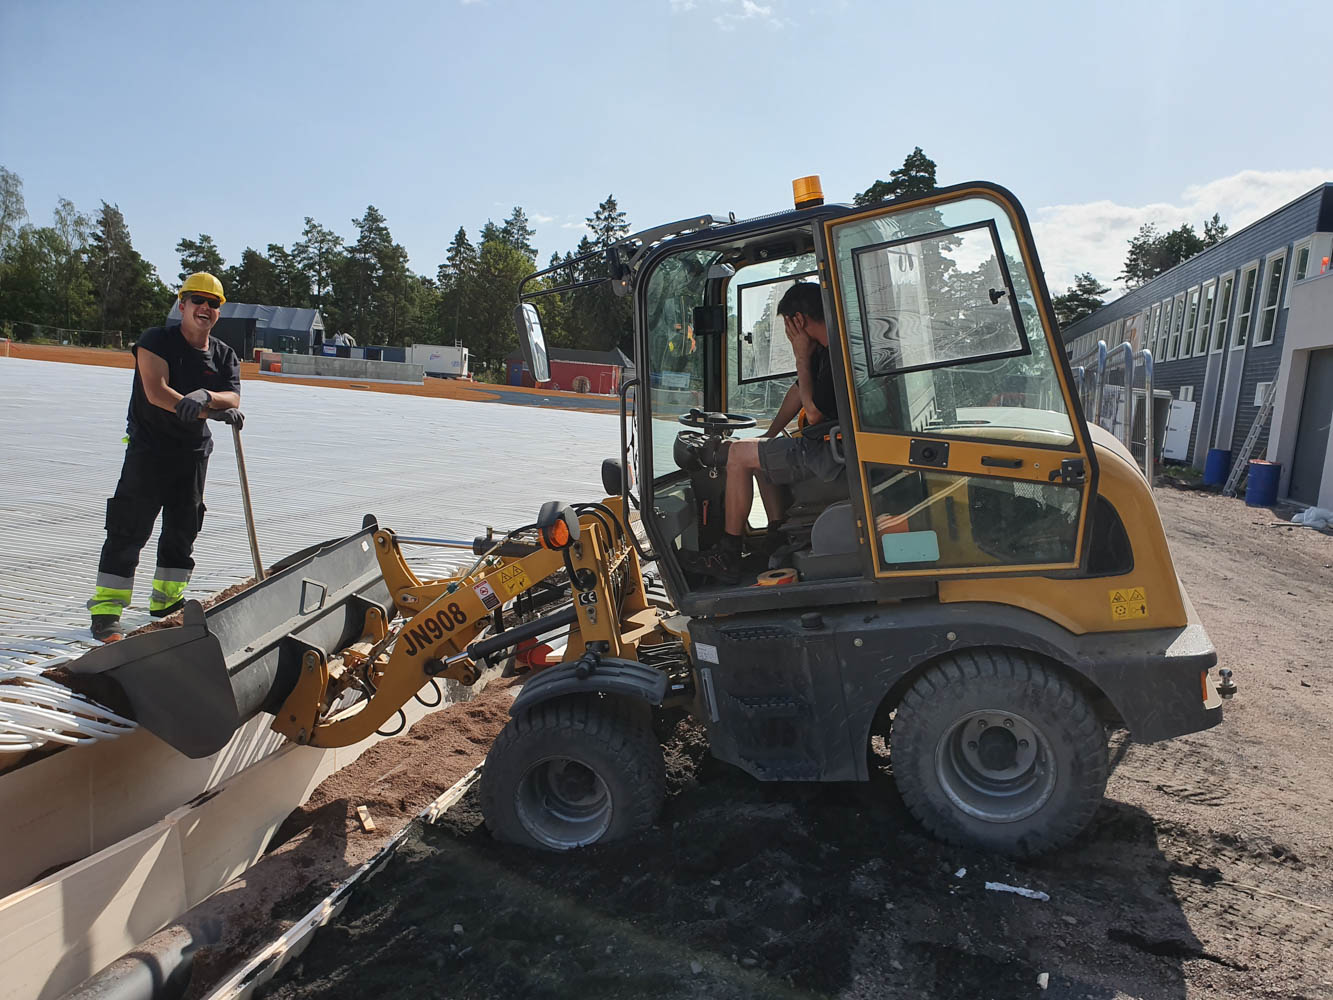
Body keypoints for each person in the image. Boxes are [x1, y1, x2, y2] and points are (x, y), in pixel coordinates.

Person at [87, 273, 243, 642]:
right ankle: (107, 611)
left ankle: (166, 605)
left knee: (183, 530)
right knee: (129, 527)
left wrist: (208, 397)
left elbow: (232, 397)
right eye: (197, 300)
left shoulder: (223, 354)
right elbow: (157, 392)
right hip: (150, 450)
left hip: (191, 455)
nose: (205, 308)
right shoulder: (156, 340)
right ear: (182, 304)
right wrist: (203, 408)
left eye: (213, 303)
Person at [680, 280, 841, 584]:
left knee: (739, 455)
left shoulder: (831, 354)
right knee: (755, 451)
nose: (786, 333)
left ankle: (727, 554)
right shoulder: (823, 350)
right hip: (826, 445)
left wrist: (800, 358)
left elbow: (815, 411)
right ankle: (778, 535)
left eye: (786, 325)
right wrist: (769, 435)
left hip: (829, 454)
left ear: (799, 321)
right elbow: (799, 393)